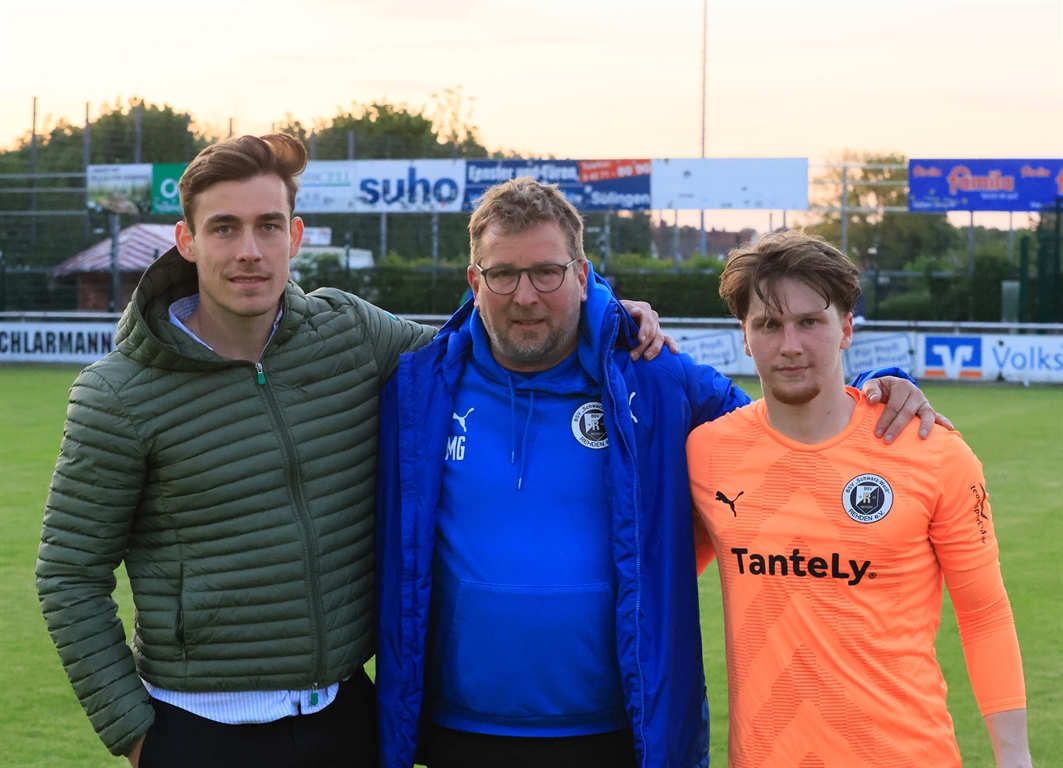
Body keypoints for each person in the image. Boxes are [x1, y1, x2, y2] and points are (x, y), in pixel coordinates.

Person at [35, 134, 672, 768]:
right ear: (187, 241)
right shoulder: (117, 393)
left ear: (297, 235)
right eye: (224, 228)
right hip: (198, 731)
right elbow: (69, 575)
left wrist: (603, 310)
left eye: (268, 226)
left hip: (349, 721)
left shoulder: (349, 333)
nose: (249, 251)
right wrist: (137, 736)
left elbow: (492, 331)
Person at [375, 179, 941, 768]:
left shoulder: (655, 378)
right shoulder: (417, 390)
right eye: (502, 274)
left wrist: (881, 388)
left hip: (622, 734)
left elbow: (786, 428)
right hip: (459, 735)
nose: (525, 296)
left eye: (546, 272)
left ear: (582, 273)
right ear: (474, 280)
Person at [687, 231, 1030, 768]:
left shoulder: (932, 451)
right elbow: (657, 585)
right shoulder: (707, 454)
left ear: (846, 329)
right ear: (745, 337)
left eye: (810, 322)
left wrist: (1016, 759)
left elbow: (984, 612)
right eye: (769, 325)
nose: (791, 344)